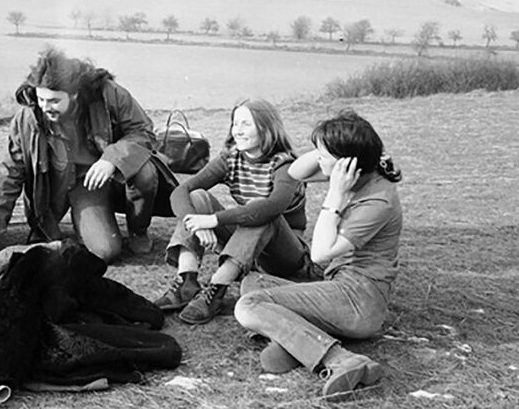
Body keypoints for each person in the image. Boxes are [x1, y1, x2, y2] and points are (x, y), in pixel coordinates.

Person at [233, 110, 402, 400]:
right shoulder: (359, 175)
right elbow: (294, 172)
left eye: (324, 156)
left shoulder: (377, 200)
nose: (318, 160)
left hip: (360, 300)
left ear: (348, 164)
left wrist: (334, 195)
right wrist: (327, 146)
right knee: (253, 283)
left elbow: (321, 254)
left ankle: (341, 360)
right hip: (340, 288)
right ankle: (297, 341)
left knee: (248, 306)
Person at [0, 47, 175, 261]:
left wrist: (112, 159)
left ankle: (137, 232)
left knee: (144, 173)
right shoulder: (28, 118)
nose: (45, 107)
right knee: (102, 252)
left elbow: (143, 131)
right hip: (53, 186)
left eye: (54, 101)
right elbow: (6, 176)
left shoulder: (110, 94)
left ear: (74, 94)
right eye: (41, 99)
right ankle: (76, 227)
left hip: (98, 182)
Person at [154, 99, 313, 325]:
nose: (237, 130)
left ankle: (217, 288)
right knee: (197, 197)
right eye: (235, 123)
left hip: (283, 255)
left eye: (246, 124)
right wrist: (197, 227)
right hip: (245, 244)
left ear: (266, 128)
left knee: (260, 209)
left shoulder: (285, 165)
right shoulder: (231, 158)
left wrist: (212, 220)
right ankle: (186, 281)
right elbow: (181, 190)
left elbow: (272, 207)